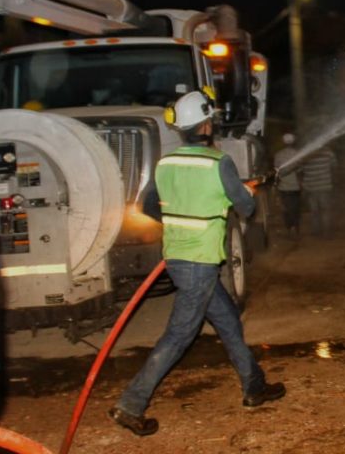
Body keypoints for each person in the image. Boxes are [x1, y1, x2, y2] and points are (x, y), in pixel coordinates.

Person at [110, 91, 285, 436]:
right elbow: (245, 208)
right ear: (206, 126)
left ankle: (254, 386)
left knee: (228, 322)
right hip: (200, 261)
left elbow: (147, 207)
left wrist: (180, 217)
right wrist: (246, 193)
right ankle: (130, 404)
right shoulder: (218, 163)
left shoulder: (166, 163)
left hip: (177, 257)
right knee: (179, 335)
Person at [301, 145, 338, 238]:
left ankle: (316, 231)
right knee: (325, 210)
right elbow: (334, 167)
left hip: (310, 187)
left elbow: (301, 170)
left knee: (314, 211)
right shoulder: (328, 152)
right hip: (325, 185)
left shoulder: (306, 154)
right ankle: (326, 232)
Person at [273, 133, 302, 238]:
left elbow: (276, 171)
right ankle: (296, 228)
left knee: (286, 209)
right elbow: (300, 171)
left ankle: (289, 229)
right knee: (295, 208)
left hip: (283, 188)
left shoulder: (278, 155)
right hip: (295, 187)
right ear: (293, 141)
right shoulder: (297, 153)